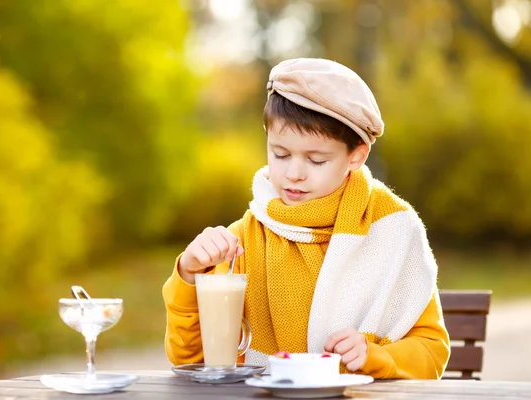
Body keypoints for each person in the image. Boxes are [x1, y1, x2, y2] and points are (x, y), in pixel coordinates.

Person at [162, 58, 450, 379]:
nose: (293, 174)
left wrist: (375, 355)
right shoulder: (243, 241)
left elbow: (431, 351)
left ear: (356, 155)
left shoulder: (393, 229)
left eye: (316, 160)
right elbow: (192, 359)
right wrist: (189, 274)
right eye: (280, 154)